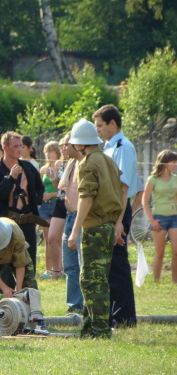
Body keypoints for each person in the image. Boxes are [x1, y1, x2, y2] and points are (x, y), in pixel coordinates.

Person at [67, 118, 124, 339]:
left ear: (80, 144)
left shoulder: (87, 163)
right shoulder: (108, 160)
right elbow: (121, 192)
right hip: (108, 225)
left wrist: (74, 231)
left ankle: (100, 330)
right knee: (97, 277)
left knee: (91, 279)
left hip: (94, 227)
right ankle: (90, 326)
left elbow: (86, 198)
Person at [93, 104, 138, 328]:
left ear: (112, 123)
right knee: (110, 265)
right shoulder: (109, 147)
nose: (97, 130)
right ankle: (114, 314)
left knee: (118, 264)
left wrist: (120, 222)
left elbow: (124, 187)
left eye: (100, 125)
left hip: (117, 211)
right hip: (110, 210)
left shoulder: (123, 147)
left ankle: (124, 317)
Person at [0, 131, 45, 284]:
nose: (19, 149)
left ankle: (29, 298)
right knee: (5, 264)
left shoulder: (29, 168)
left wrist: (34, 199)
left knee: (28, 264)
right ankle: (7, 298)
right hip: (5, 223)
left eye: (21, 146)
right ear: (5, 147)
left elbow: (39, 188)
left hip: (27, 222)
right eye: (15, 146)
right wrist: (10, 179)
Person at [0, 218, 38, 301]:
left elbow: (20, 264)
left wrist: (19, 289)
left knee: (29, 284)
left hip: (15, 256)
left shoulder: (16, 234)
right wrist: (4, 288)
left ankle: (33, 311)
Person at [142, 150, 177, 283]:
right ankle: (156, 281)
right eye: (173, 162)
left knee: (176, 252)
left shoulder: (175, 179)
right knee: (160, 252)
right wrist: (152, 220)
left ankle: (175, 282)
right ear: (164, 163)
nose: (175, 164)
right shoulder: (153, 179)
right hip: (159, 218)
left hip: (174, 217)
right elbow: (144, 201)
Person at [59, 132, 84, 314]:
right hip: (69, 217)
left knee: (84, 265)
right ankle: (74, 306)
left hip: (81, 219)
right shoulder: (71, 164)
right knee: (70, 266)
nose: (64, 147)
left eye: (67, 144)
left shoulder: (87, 164)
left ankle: (86, 305)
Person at [46, 136, 69, 280]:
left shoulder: (78, 162)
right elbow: (58, 187)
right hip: (60, 202)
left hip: (73, 202)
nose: (63, 149)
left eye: (65, 146)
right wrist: (54, 178)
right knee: (52, 237)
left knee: (68, 239)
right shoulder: (60, 164)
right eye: (61, 146)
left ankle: (69, 270)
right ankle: (56, 271)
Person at [38, 141, 61, 279]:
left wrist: (51, 193)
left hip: (56, 203)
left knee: (56, 239)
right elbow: (41, 187)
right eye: (46, 152)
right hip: (45, 205)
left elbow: (60, 188)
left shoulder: (59, 165)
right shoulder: (43, 169)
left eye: (50, 151)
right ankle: (48, 270)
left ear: (56, 152)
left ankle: (59, 268)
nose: (47, 154)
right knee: (47, 239)